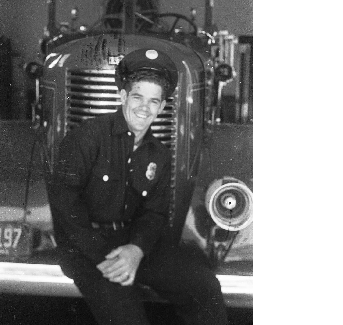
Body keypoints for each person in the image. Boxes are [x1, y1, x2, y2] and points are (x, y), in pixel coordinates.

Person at [48, 48, 228, 325]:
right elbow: (65, 204)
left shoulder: (159, 154)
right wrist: (103, 257)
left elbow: (154, 214)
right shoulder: (87, 137)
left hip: (132, 247)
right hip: (87, 249)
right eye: (138, 97)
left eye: (154, 101)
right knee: (128, 318)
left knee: (203, 285)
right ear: (123, 97)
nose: (145, 108)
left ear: (162, 107)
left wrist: (136, 250)